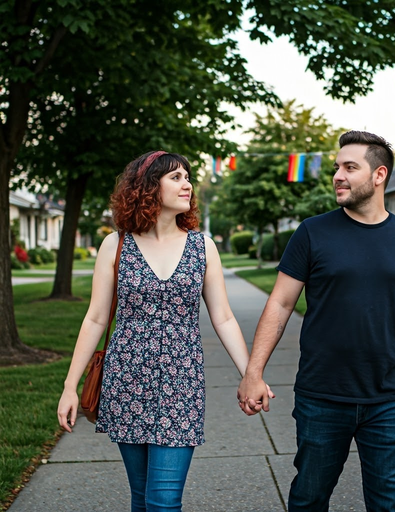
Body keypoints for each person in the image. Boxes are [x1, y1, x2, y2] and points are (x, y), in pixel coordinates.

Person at [237, 131, 395, 512]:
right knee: (308, 499)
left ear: (379, 175)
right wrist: (253, 372)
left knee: (390, 504)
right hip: (322, 395)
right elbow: (279, 304)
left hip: (391, 399)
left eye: (349, 167)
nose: (337, 176)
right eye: (336, 168)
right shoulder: (313, 232)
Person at [57, 151, 273, 512]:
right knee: (141, 500)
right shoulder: (116, 245)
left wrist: (251, 374)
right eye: (175, 177)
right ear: (146, 186)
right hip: (126, 382)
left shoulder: (202, 246)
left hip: (181, 384)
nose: (187, 183)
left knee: (164, 501)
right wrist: (69, 386)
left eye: (187, 176)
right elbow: (95, 318)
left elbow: (223, 318)